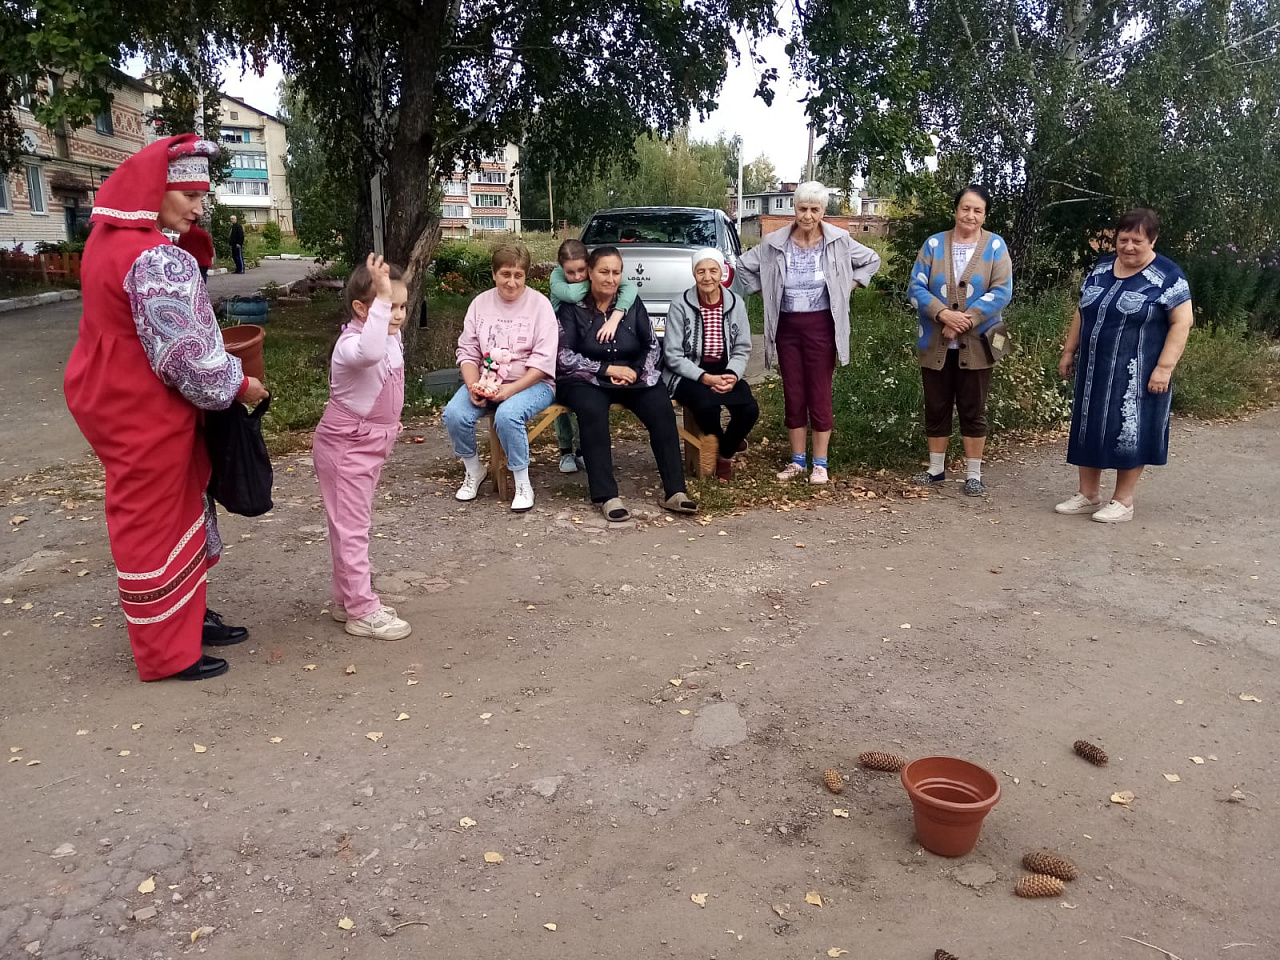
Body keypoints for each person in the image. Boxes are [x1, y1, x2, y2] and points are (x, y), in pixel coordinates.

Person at [63, 134, 268, 682]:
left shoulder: (107, 239)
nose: (200, 207)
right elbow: (188, 358)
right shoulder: (156, 258)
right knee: (155, 516)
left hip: (114, 393)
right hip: (145, 404)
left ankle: (188, 618)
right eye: (190, 195)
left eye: (202, 195)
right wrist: (240, 385)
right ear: (155, 190)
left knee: (178, 501)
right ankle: (166, 649)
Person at [736, 181, 881, 484]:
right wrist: (767, 293)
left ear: (823, 211)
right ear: (795, 209)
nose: (808, 215)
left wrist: (847, 288)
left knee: (819, 391)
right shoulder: (775, 242)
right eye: (803, 208)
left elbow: (871, 260)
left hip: (821, 325)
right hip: (787, 325)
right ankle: (797, 461)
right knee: (794, 391)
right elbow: (743, 266)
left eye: (815, 209)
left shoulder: (839, 240)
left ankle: (820, 464)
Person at [1055, 208, 1194, 523]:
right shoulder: (1102, 267)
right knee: (1089, 425)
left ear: (1153, 241)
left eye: (1137, 241)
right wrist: (1069, 351)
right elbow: (1082, 310)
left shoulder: (1168, 275)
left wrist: (1164, 368)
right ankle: (1088, 494)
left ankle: (1123, 500)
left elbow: (1182, 322)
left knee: (1130, 430)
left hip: (1138, 373)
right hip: (1094, 369)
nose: (1128, 247)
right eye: (1123, 239)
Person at [312, 254, 413, 641]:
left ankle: (347, 599)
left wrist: (385, 300)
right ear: (361, 308)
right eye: (389, 305)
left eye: (402, 305)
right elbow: (370, 354)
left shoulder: (389, 335)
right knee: (352, 529)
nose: (397, 314)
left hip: (370, 445)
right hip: (346, 447)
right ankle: (362, 610)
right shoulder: (352, 345)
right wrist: (382, 299)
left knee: (349, 526)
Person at [556, 246, 697, 521]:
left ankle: (675, 491)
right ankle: (607, 496)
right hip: (587, 379)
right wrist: (607, 369)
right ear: (590, 273)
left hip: (632, 376)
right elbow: (563, 356)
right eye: (604, 272)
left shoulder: (631, 303)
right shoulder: (572, 308)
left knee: (660, 408)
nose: (610, 279)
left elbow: (651, 345)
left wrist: (635, 370)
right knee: (592, 411)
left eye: (616, 272)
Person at [908, 184, 1014, 496]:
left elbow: (1002, 291)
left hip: (980, 341)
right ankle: (935, 469)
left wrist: (963, 321)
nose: (970, 215)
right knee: (936, 405)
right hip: (934, 340)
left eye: (977, 210)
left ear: (985, 215)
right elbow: (915, 287)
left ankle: (973, 474)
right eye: (965, 208)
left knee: (973, 407)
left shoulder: (995, 246)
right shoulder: (933, 244)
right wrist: (943, 315)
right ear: (956, 210)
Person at [442, 243, 558, 512]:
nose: (512, 282)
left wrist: (511, 390)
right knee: (455, 414)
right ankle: (474, 470)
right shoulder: (480, 304)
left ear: (526, 276)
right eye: (505, 274)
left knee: (507, 415)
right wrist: (473, 385)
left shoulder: (540, 305)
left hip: (533, 383)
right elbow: (468, 351)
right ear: (494, 274)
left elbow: (543, 362)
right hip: (487, 379)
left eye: (519, 275)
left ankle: (522, 481)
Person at [662, 247, 758, 481]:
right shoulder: (680, 304)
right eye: (701, 271)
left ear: (722, 273)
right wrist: (704, 378)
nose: (707, 277)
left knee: (749, 409)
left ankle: (724, 452)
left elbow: (742, 348)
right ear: (694, 274)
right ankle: (725, 449)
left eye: (713, 271)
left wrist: (732, 375)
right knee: (706, 406)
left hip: (724, 370)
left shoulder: (735, 303)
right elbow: (672, 355)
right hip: (688, 372)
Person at [547, 238, 638, 474]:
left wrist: (617, 313)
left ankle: (582, 450)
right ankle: (565, 450)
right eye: (570, 272)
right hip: (558, 340)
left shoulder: (589, 275)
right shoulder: (557, 278)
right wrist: (596, 282)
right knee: (562, 396)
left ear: (588, 265)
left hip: (583, 338)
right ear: (561, 268)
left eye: (581, 270)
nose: (577, 277)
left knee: (586, 398)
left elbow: (631, 288)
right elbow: (570, 294)